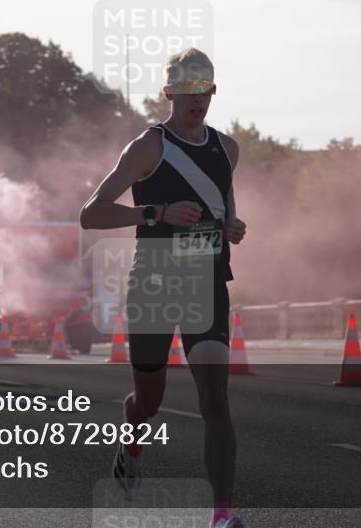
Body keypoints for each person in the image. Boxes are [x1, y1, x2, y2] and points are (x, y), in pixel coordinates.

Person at [79, 48, 247, 528]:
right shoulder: (148, 147)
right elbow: (90, 215)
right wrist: (153, 213)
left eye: (207, 90)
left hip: (206, 281)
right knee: (148, 400)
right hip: (153, 283)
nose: (200, 100)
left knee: (215, 398)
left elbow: (224, 206)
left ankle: (220, 514)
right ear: (170, 92)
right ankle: (131, 439)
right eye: (190, 91)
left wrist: (230, 227)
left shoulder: (227, 148)